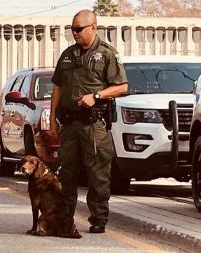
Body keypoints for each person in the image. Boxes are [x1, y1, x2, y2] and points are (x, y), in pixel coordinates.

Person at [49, 10, 128, 234]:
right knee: (67, 173)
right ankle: (64, 218)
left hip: (94, 124)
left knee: (98, 173)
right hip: (69, 124)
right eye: (72, 29)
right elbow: (57, 87)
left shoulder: (107, 54)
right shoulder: (67, 55)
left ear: (93, 27)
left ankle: (98, 219)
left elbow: (122, 87)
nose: (74, 33)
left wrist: (96, 96)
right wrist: (53, 120)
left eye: (78, 29)